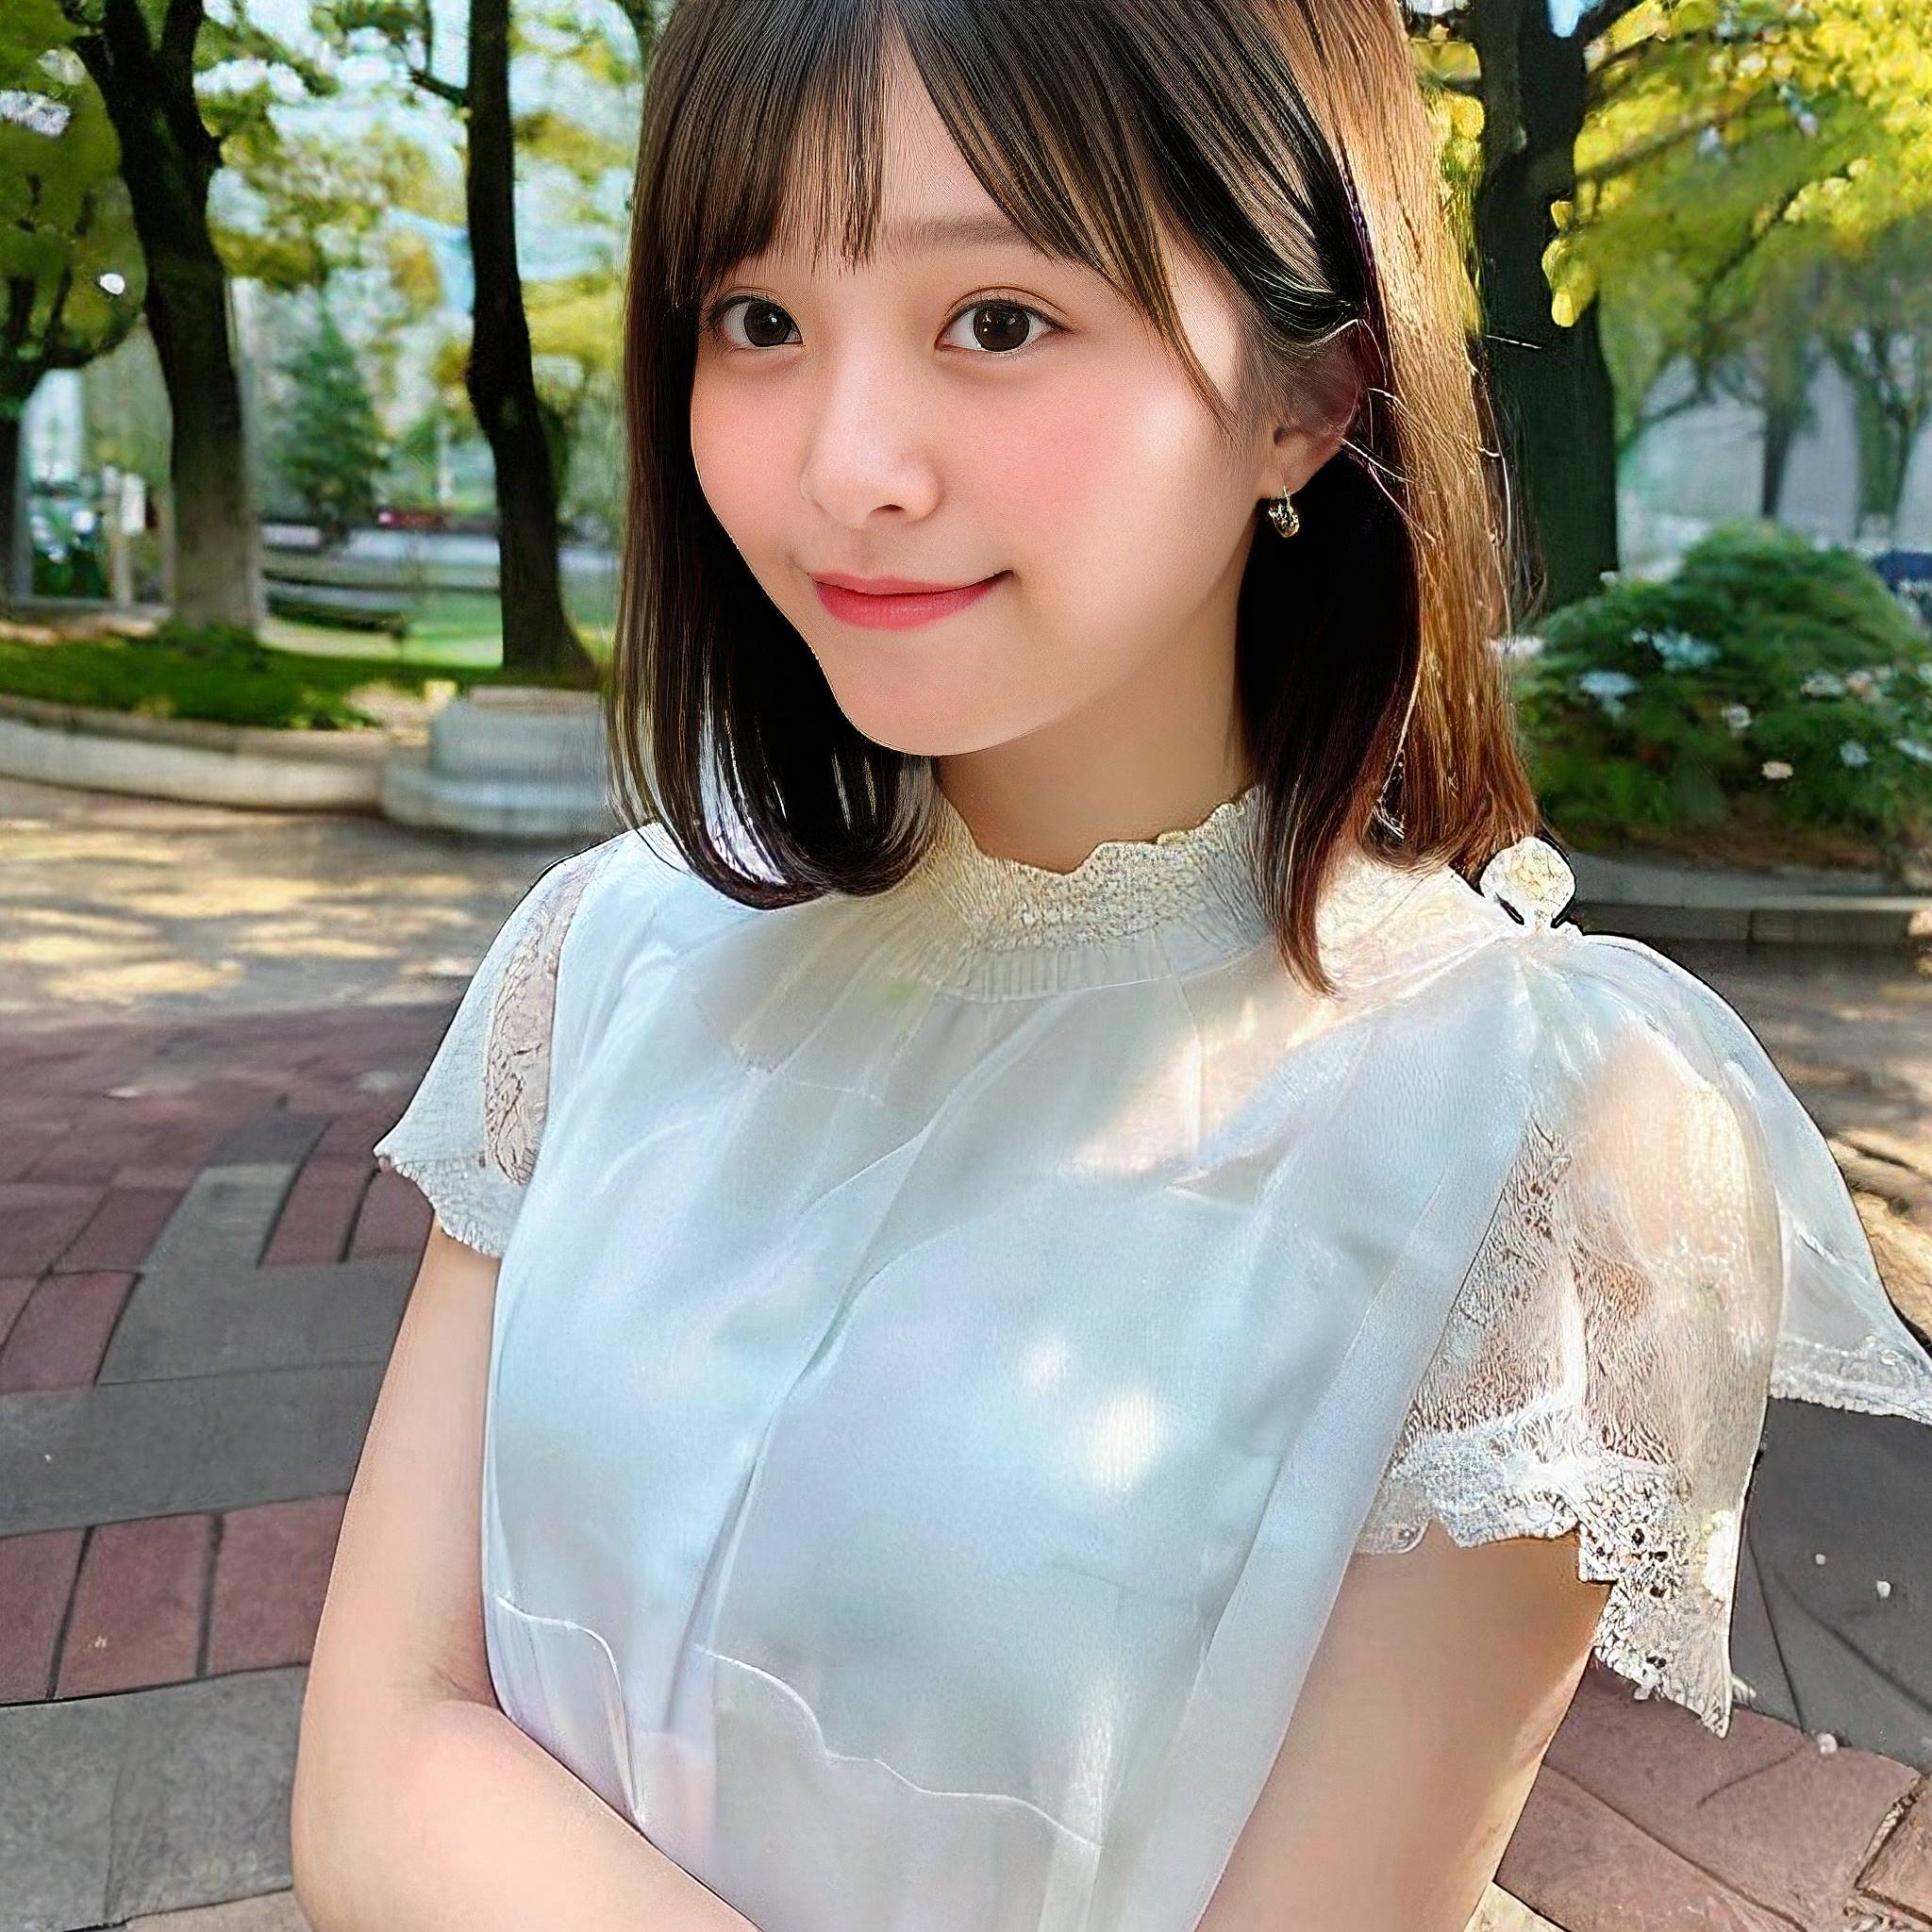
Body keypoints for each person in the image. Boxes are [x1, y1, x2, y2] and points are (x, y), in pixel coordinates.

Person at [290, 3, 1932, 1928]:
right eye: (755, 318)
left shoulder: (1553, 1147)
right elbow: (385, 1734)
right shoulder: (607, 961)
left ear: (1303, 399)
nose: (847, 465)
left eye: (993, 319)